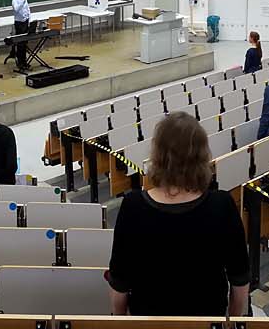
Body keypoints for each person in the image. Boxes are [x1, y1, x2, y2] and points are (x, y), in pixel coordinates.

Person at [107, 112, 250, 317]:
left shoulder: (133, 206)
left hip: (149, 322)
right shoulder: (222, 205)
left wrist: (123, 322)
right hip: (208, 321)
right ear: (202, 156)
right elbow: (239, 279)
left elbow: (119, 282)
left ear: (158, 156)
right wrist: (232, 320)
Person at [9, 0, 32, 71]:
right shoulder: (15, 0)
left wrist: (29, 20)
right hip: (19, 23)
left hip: (25, 22)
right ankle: (20, 63)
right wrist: (22, 0)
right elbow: (17, 9)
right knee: (20, 44)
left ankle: (25, 62)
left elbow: (27, 9)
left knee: (25, 43)